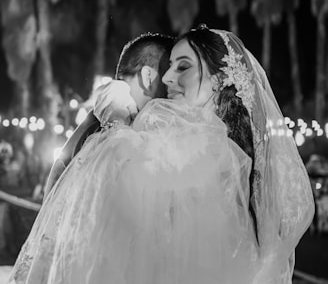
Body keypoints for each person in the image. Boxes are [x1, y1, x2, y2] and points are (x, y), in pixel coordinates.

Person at [8, 25, 314, 284]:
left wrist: (113, 123)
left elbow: (127, 206)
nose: (167, 79)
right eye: (168, 68)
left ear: (219, 81)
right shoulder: (206, 145)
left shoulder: (208, 149)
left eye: (182, 67)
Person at [43, 32, 173, 200]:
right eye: (170, 72)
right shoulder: (111, 121)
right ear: (148, 77)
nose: (173, 81)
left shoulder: (104, 114)